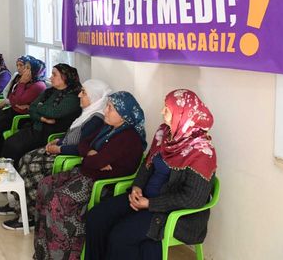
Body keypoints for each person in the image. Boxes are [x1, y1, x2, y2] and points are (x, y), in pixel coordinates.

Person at [85, 89, 217, 260]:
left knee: (121, 236)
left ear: (183, 114)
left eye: (167, 109)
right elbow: (147, 165)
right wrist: (137, 187)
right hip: (144, 198)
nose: (162, 112)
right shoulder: (165, 134)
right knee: (97, 217)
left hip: (169, 211)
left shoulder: (202, 152)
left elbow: (193, 198)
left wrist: (150, 203)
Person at [32, 91, 147, 260]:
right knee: (44, 185)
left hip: (102, 184)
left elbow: (94, 161)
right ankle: (43, 251)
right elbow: (83, 144)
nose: (106, 110)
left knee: (58, 200)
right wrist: (92, 154)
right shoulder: (108, 127)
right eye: (107, 106)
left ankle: (64, 255)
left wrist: (92, 157)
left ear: (124, 116)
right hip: (85, 173)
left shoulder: (128, 138)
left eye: (111, 108)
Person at [0, 80, 110, 228]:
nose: (79, 95)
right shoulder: (87, 113)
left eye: (84, 92)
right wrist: (58, 141)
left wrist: (59, 149)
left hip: (70, 158)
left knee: (32, 167)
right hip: (61, 149)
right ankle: (19, 205)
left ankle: (29, 216)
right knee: (25, 158)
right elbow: (71, 134)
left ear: (95, 97)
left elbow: (81, 147)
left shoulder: (96, 119)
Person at [0, 56, 47, 162]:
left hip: (22, 117)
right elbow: (12, 97)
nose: (25, 70)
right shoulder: (28, 82)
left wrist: (21, 84)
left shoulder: (38, 85)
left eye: (28, 68)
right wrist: (17, 99)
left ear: (35, 71)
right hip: (14, 110)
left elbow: (18, 100)